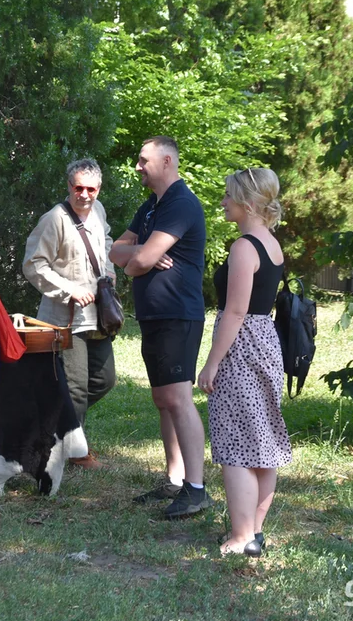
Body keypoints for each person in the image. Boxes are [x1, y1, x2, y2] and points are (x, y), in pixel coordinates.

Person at [109, 136, 212, 519]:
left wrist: (139, 257)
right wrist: (140, 255)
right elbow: (116, 251)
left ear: (167, 161)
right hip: (155, 317)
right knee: (163, 400)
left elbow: (135, 261)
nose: (137, 166)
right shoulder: (151, 206)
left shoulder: (180, 203)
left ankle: (197, 490)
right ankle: (174, 479)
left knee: (178, 399)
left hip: (177, 315)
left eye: (143, 160)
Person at [196, 168, 291, 557]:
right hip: (266, 344)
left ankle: (240, 536)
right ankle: (254, 532)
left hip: (241, 349)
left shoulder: (243, 248)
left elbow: (234, 312)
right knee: (262, 443)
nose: (222, 202)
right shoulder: (272, 244)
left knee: (235, 445)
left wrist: (211, 363)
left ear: (248, 203)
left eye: (228, 196)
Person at [23, 159, 117, 468]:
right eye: (79, 188)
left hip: (97, 317)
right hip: (66, 320)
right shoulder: (55, 219)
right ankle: (74, 452)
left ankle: (50, 425)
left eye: (91, 189)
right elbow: (34, 264)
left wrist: (110, 276)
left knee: (104, 380)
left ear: (99, 189)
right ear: (68, 187)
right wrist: (70, 289)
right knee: (75, 388)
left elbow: (105, 244)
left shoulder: (99, 210)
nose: (85, 195)